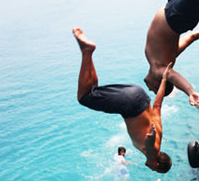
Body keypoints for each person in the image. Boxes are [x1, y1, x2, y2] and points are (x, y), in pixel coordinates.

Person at [73, 27, 172, 172]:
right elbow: (150, 144)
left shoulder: (160, 135)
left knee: (93, 90)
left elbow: (157, 106)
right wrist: (150, 136)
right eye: (154, 169)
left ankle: (87, 51)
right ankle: (87, 51)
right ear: (157, 164)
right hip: (130, 104)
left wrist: (164, 80)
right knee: (84, 97)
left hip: (139, 94)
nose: (151, 169)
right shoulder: (152, 152)